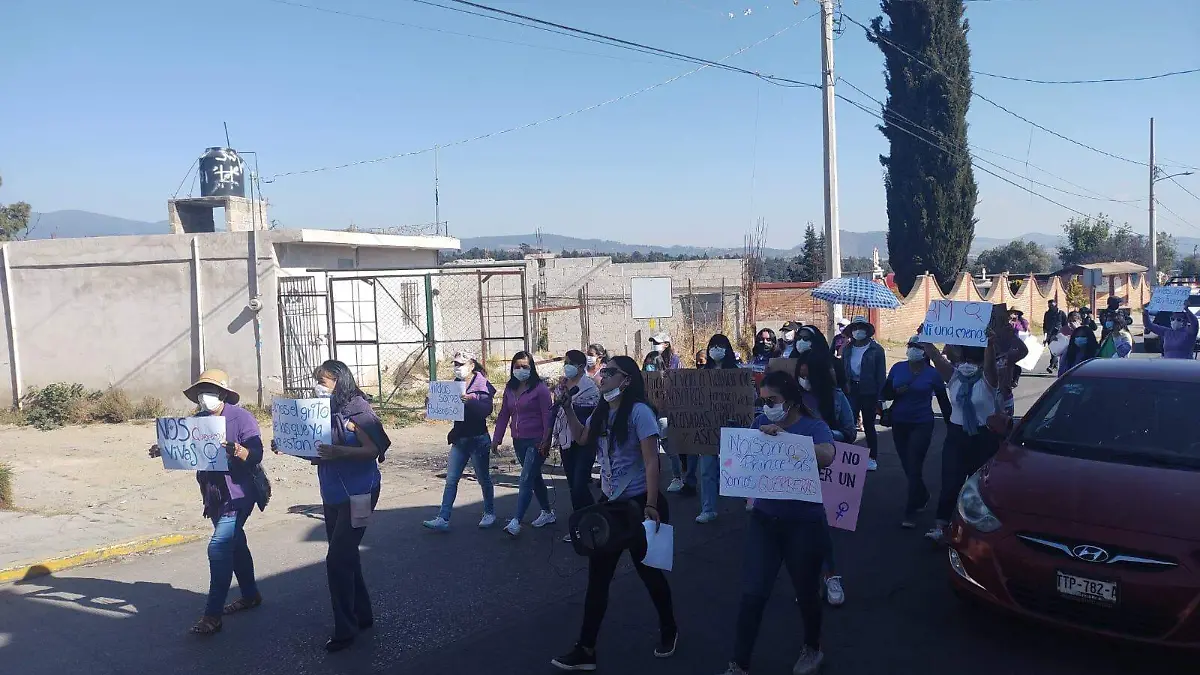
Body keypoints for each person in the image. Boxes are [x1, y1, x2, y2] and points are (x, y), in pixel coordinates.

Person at [551, 356, 677, 671]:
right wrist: (566, 407)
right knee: (598, 580)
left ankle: (669, 629)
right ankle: (586, 649)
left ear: (627, 380)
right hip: (609, 505)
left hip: (638, 506)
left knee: (649, 572)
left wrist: (650, 504)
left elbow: (651, 462)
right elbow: (581, 438)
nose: (602, 375)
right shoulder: (603, 410)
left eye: (610, 372)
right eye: (602, 371)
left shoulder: (639, 413)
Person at [717, 370, 836, 675]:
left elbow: (828, 454)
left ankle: (813, 647)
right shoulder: (760, 423)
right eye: (763, 399)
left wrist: (791, 443)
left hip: (805, 525)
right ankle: (739, 663)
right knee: (753, 593)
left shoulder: (814, 426)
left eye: (773, 400)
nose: (766, 405)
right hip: (765, 521)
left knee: (806, 591)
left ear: (792, 401)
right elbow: (747, 457)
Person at [274, 360, 389, 652]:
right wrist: (288, 445)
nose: (319, 387)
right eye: (318, 381)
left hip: (360, 494)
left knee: (337, 561)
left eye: (324, 382)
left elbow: (373, 450)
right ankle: (362, 616)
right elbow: (316, 452)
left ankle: (345, 630)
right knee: (347, 556)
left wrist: (339, 451)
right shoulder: (323, 414)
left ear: (340, 381)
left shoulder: (359, 411)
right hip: (333, 495)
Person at [148, 369, 264, 636]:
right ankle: (250, 595)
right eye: (201, 391)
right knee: (236, 544)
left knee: (219, 548)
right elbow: (188, 448)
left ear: (223, 394)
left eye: (209, 391)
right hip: (214, 495)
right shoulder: (199, 420)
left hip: (239, 494)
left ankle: (213, 615)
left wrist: (238, 449)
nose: (204, 396)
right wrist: (163, 449)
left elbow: (256, 453)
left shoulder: (241, 418)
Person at [921, 344, 1002, 545]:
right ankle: (941, 526)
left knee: (980, 488)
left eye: (972, 362)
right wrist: (927, 339)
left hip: (984, 437)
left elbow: (991, 365)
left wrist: (989, 346)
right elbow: (937, 358)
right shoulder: (955, 378)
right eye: (965, 361)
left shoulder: (988, 381)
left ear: (980, 364)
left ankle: (979, 531)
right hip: (956, 436)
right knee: (950, 482)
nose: (967, 365)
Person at [795, 349, 854, 607]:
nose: (803, 379)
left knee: (821, 527)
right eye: (799, 375)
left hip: (826, 472)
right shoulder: (792, 400)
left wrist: (824, 440)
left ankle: (831, 575)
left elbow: (850, 433)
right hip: (796, 473)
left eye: (807, 375)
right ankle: (807, 582)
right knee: (797, 532)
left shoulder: (837, 398)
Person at [882, 337, 951, 529]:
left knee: (914, 463)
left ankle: (910, 511)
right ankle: (921, 494)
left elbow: (944, 402)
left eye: (917, 347)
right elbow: (885, 393)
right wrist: (896, 392)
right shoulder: (897, 368)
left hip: (922, 423)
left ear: (925, 352)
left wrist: (952, 426)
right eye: (910, 345)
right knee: (907, 465)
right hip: (899, 422)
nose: (912, 350)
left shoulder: (932, 374)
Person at [423, 351, 497, 531]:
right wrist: (432, 403)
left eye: (461, 364)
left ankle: (489, 513)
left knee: (483, 479)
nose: (457, 368)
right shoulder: (454, 386)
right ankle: (443, 518)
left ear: (472, 366)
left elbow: (486, 410)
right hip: (459, 439)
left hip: (478, 439)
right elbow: (447, 411)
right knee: (451, 480)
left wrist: (470, 401)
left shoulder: (483, 385)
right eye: (455, 364)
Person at [492, 351, 555, 536]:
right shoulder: (510, 388)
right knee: (534, 478)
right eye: (517, 366)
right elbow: (504, 413)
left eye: (525, 366)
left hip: (537, 441)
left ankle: (516, 520)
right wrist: (497, 438)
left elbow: (547, 416)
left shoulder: (540, 389)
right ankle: (547, 512)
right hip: (519, 440)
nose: (520, 370)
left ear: (532, 368)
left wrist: (546, 440)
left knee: (526, 478)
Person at [548, 350, 602, 543]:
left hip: (584, 441)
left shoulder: (589, 388)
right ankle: (581, 524)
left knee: (580, 484)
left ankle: (595, 519)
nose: (566, 365)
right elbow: (554, 412)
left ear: (580, 367)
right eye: (565, 362)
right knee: (573, 485)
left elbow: (589, 413)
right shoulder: (562, 386)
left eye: (570, 362)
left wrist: (570, 407)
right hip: (566, 440)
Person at [696, 333, 741, 524]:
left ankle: (750, 498)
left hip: (732, 425)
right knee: (707, 468)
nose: (716, 349)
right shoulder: (702, 374)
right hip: (708, 426)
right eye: (713, 345)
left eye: (721, 346)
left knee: (740, 465)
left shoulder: (737, 373)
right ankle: (708, 508)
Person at [840, 316, 886, 471]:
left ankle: (872, 457)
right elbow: (843, 370)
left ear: (867, 330)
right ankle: (847, 456)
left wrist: (880, 398)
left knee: (868, 424)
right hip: (851, 389)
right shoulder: (847, 349)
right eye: (855, 328)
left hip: (869, 390)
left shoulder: (876, 350)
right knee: (848, 423)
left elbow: (880, 375)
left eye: (861, 327)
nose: (858, 331)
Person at [1042, 300, 1068, 373]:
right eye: (1049, 306)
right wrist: (1045, 336)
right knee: (1052, 350)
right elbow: (1045, 325)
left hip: (1058, 334)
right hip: (1050, 334)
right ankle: (1055, 365)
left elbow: (1065, 324)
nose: (1050, 307)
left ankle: (1051, 365)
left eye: (1052, 305)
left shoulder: (1061, 313)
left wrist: (1065, 334)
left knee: (1055, 350)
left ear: (1055, 305)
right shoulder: (1047, 314)